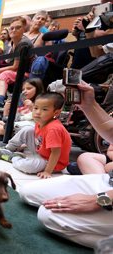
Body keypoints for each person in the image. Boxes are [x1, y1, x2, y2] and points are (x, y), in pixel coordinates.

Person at [19, 82, 113, 249]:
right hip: (108, 181)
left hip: (108, 193)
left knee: (49, 215)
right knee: (28, 192)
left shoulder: (53, 127)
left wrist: (98, 200)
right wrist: (89, 105)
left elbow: (55, 152)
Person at [0, 93, 71, 179]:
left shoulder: (53, 129)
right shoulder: (41, 122)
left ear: (56, 112)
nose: (38, 112)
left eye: (44, 109)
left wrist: (47, 171)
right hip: (40, 152)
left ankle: (13, 158)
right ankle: (8, 148)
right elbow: (39, 139)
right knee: (28, 129)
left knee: (29, 167)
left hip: (52, 162)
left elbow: (56, 152)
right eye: (36, 108)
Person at [0, 17, 34, 109]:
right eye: (12, 28)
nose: (14, 30)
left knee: (4, 74)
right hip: (16, 72)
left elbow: (15, 67)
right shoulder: (13, 43)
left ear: (24, 29)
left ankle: (0, 99)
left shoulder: (23, 43)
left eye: (18, 27)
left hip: (25, 73)